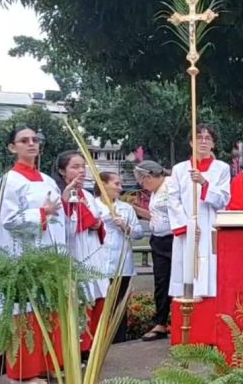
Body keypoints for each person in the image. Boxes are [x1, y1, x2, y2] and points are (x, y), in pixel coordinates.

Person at [0, 125, 66, 384]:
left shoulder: (48, 180)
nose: (31, 144)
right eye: (24, 140)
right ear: (12, 148)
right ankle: (23, 373)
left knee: (49, 310)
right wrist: (41, 213)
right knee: (24, 312)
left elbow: (57, 215)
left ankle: (48, 365)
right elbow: (8, 220)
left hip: (48, 252)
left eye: (35, 139)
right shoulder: (9, 181)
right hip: (23, 254)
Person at [168, 123, 230, 306]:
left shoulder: (222, 168)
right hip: (186, 230)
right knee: (185, 268)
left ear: (213, 144)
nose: (203, 141)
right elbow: (172, 200)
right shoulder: (179, 169)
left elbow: (224, 199)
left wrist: (204, 183)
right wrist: (187, 226)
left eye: (207, 138)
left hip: (210, 227)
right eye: (198, 137)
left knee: (208, 270)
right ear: (191, 142)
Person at [54, 151, 110, 353]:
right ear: (62, 171)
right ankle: (79, 348)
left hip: (93, 250)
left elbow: (99, 219)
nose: (80, 171)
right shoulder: (60, 194)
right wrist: (70, 204)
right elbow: (64, 227)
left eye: (83, 166)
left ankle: (96, 346)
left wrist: (96, 224)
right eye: (74, 167)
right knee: (80, 298)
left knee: (98, 295)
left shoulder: (87, 194)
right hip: (75, 251)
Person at [96, 171, 144, 342]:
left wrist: (125, 227)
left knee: (119, 306)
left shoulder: (126, 208)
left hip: (121, 265)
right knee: (99, 304)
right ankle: (98, 340)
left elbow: (139, 233)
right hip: (98, 264)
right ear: (103, 185)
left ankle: (119, 340)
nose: (120, 188)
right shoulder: (92, 206)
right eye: (116, 184)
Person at [132, 161, 173, 341]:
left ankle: (176, 319)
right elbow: (157, 215)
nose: (143, 186)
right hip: (158, 239)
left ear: (148, 177)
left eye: (142, 181)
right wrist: (136, 211)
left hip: (174, 238)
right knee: (161, 280)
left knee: (177, 280)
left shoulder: (171, 185)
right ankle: (160, 321)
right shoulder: (155, 192)